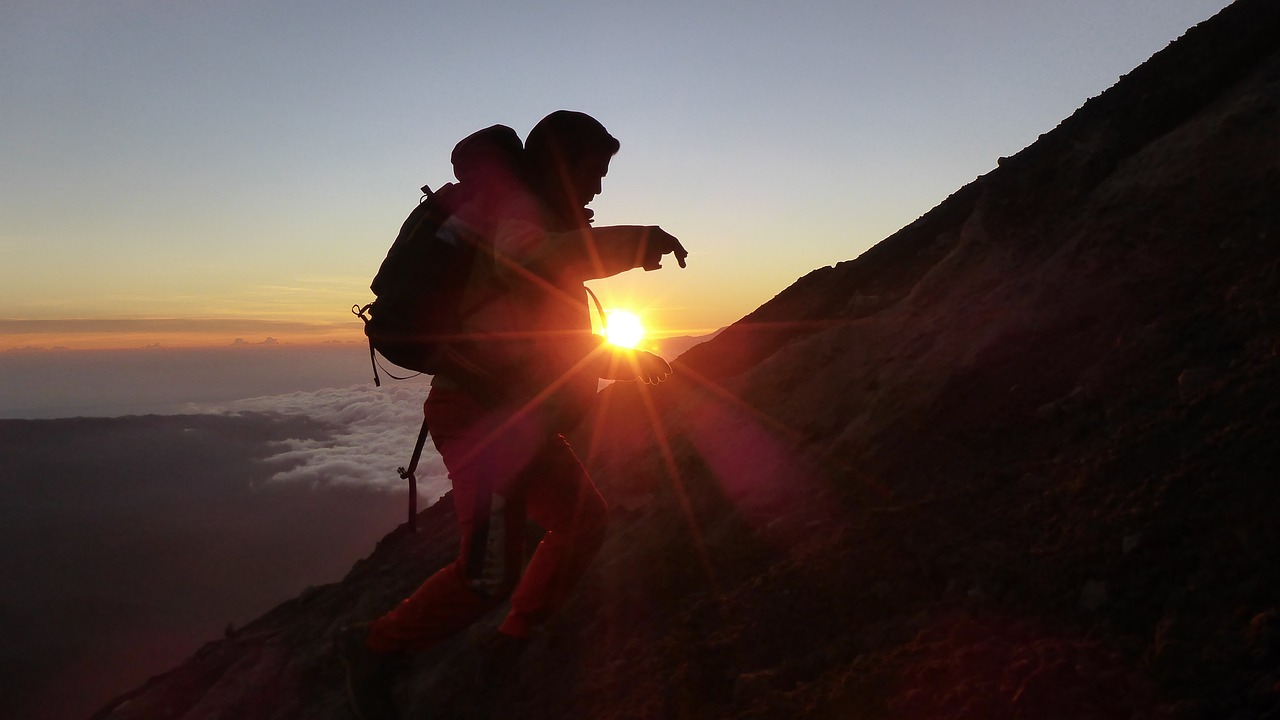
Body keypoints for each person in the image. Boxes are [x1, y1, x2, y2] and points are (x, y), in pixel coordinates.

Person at [340, 111, 687, 720]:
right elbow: (541, 260)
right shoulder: (518, 220)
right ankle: (375, 648)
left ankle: (514, 640)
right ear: (561, 164)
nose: (600, 187)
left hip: (510, 418)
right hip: (480, 420)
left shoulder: (527, 221)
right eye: (594, 170)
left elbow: (539, 344)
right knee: (487, 575)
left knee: (581, 521)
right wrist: (641, 241)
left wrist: (628, 364)